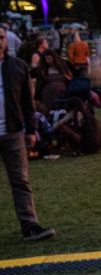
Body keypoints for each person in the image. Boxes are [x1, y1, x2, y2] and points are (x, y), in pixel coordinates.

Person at [1, 31, 56, 241]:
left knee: (21, 180)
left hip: (13, 132)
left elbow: (27, 103)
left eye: (1, 37)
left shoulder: (18, 67)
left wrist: (31, 130)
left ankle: (30, 225)